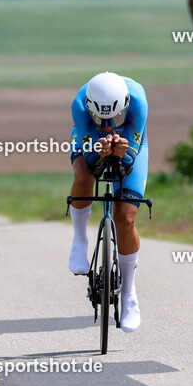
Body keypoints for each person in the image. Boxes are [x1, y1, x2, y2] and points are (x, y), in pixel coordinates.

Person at [68, 72, 149, 332]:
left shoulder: (137, 101)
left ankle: (129, 293)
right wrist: (98, 154)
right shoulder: (80, 105)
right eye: (102, 119)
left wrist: (123, 154)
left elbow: (128, 165)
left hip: (132, 136)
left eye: (114, 118)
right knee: (82, 174)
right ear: (91, 109)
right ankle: (79, 239)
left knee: (125, 218)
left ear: (124, 107)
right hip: (87, 134)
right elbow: (91, 164)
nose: (108, 126)